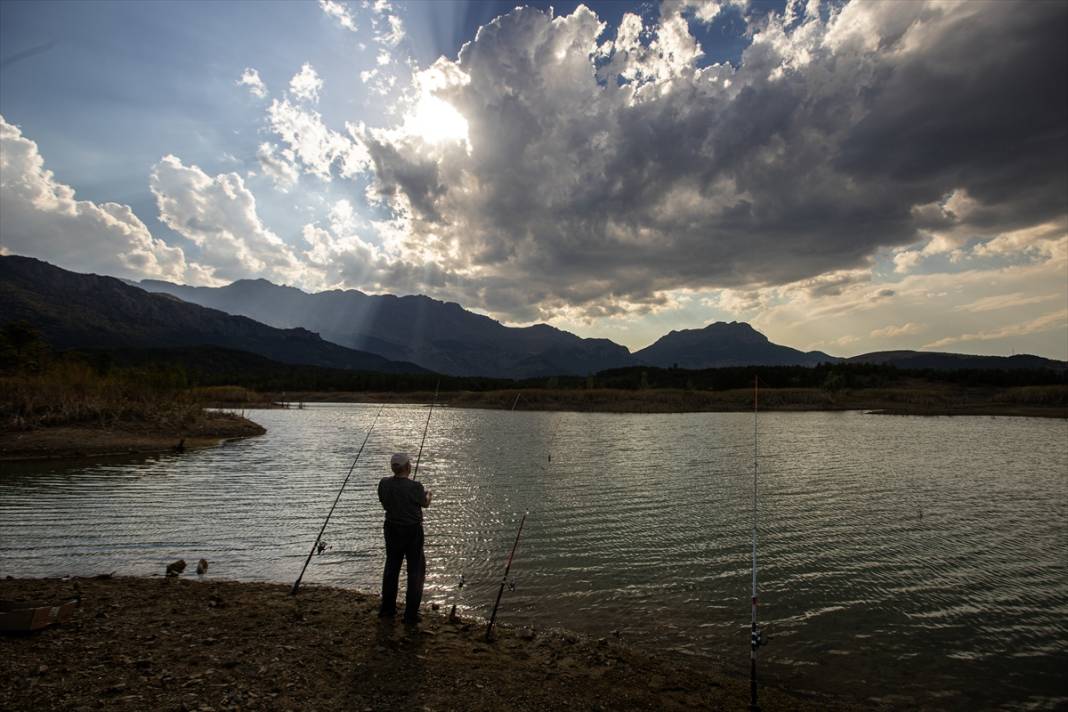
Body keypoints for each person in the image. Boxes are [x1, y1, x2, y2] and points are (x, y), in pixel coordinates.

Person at [377, 452, 432, 624]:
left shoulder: (384, 484)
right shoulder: (416, 487)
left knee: (392, 568)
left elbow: (384, 502)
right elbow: (425, 503)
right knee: (416, 571)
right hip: (412, 532)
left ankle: (387, 610)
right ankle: (410, 615)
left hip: (392, 529)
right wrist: (429, 493)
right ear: (408, 467)